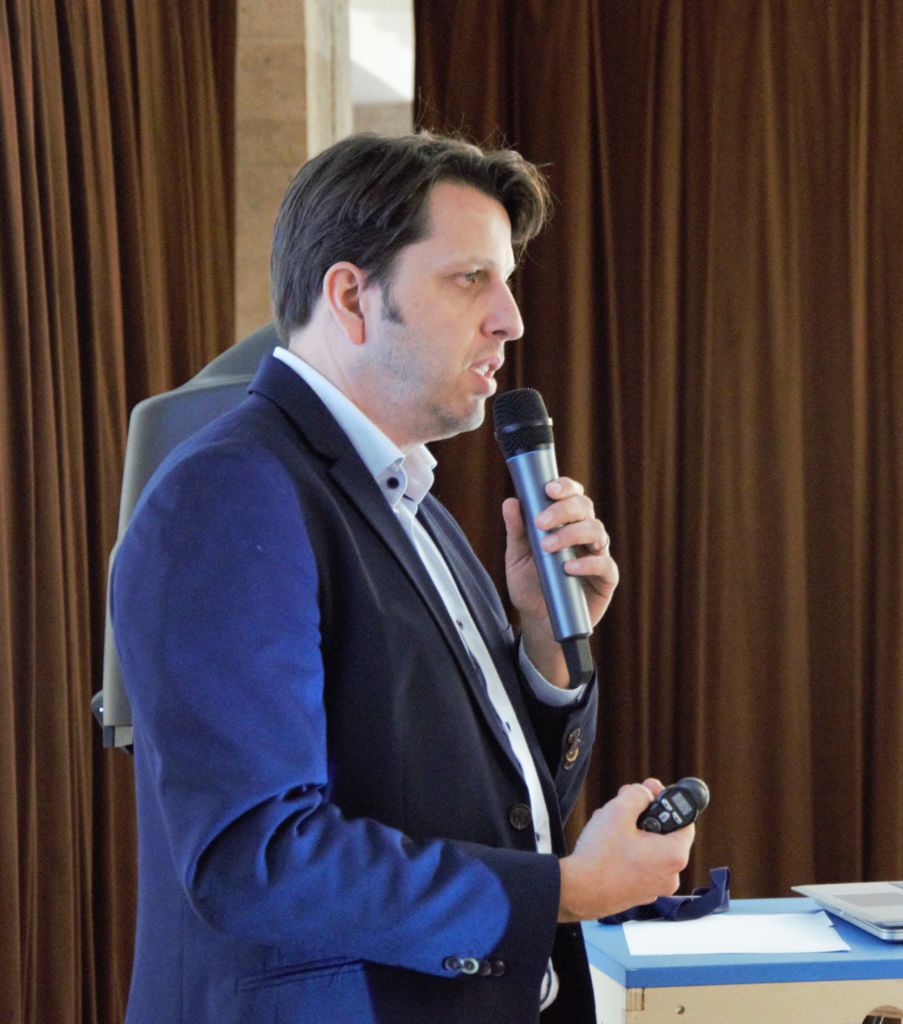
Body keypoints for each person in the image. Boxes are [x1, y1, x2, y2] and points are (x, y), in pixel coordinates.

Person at [110, 131, 693, 1024]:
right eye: (470, 279)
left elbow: (492, 811)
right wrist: (568, 891)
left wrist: (543, 646)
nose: (511, 319)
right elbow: (255, 857)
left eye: (506, 281)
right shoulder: (228, 493)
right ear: (351, 297)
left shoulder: (413, 504)